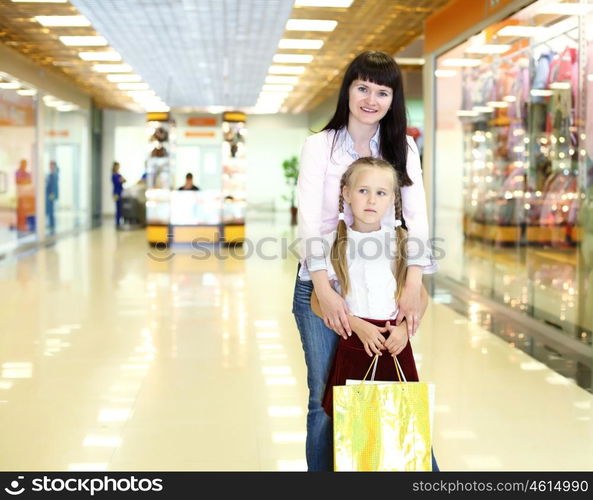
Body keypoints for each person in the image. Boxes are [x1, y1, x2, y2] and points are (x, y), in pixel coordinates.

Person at [293, 50, 437, 471]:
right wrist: (325, 290)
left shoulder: (402, 147)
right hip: (321, 284)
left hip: (384, 284)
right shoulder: (319, 146)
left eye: (382, 91)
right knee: (325, 395)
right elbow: (311, 222)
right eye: (362, 88)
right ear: (348, 90)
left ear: (393, 99)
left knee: (393, 388)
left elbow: (417, 220)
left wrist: (413, 286)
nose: (370, 99)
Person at [310, 157, 438, 470]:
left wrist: (404, 329)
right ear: (346, 194)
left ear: (393, 200)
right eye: (363, 190)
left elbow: (419, 295)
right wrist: (354, 324)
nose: (371, 200)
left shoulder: (404, 243)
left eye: (381, 193)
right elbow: (317, 299)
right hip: (355, 346)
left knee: (403, 428)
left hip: (395, 345)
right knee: (354, 435)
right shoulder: (330, 244)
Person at [46, 160, 59, 234]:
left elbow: (54, 186)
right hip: (49, 194)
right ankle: (51, 223)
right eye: (50, 165)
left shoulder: (54, 174)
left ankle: (52, 224)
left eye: (51, 165)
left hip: (51, 195)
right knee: (49, 209)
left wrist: (53, 194)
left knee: (51, 210)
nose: (50, 166)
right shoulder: (51, 174)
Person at [111, 162, 126, 228]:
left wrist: (121, 180)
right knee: (118, 208)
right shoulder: (114, 175)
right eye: (118, 166)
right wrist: (121, 180)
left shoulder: (119, 175)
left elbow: (124, 180)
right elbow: (118, 182)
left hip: (120, 192)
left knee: (120, 208)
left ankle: (119, 222)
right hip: (116, 193)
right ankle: (117, 223)